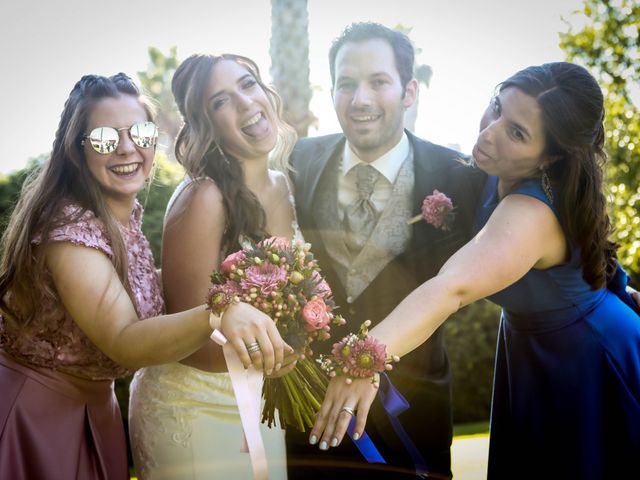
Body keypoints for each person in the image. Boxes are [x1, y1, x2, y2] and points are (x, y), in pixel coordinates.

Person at [311, 62, 640, 480]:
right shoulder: (492, 174)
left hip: (588, 363)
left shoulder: (531, 212)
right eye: (497, 107)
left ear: (552, 158)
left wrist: (362, 360)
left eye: (516, 132)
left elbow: (451, 289)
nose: (490, 132)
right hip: (534, 351)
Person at [0, 73, 284, 480]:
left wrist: (246, 281)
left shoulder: (120, 217)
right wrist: (220, 311)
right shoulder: (69, 231)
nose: (127, 147)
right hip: (35, 418)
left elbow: (138, 290)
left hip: (97, 413)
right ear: (77, 151)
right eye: (104, 138)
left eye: (142, 133)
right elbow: (124, 340)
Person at [286, 22, 486, 479]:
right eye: (346, 84)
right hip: (310, 420)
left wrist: (611, 284)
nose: (360, 99)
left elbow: (521, 240)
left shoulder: (460, 175)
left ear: (409, 91)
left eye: (378, 82)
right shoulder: (299, 161)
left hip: (414, 418)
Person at [128, 53, 299, 479]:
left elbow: (284, 300)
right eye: (221, 101)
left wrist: (297, 340)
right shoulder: (203, 198)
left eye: (248, 84)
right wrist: (274, 350)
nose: (245, 103)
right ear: (206, 124)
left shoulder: (282, 185)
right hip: (194, 404)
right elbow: (195, 340)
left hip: (258, 401)